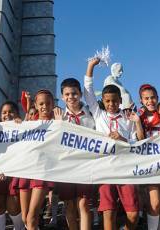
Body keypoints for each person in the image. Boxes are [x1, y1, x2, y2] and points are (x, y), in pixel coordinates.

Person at [84, 58, 144, 230]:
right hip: (106, 169)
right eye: (108, 101)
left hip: (126, 169)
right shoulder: (98, 114)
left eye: (115, 101)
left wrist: (123, 140)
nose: (111, 104)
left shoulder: (128, 119)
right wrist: (91, 66)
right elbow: (88, 90)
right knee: (108, 211)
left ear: (120, 100)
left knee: (133, 214)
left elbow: (137, 142)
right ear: (102, 100)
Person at [53, 78, 96, 230]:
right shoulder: (58, 115)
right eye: (67, 94)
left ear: (80, 94)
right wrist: (59, 124)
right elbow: (53, 142)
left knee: (83, 204)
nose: (71, 97)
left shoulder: (91, 114)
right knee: (69, 205)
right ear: (62, 96)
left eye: (74, 93)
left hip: (85, 166)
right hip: (66, 167)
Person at [15, 90, 56, 230]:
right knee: (25, 217)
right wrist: (18, 125)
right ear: (36, 105)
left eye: (48, 103)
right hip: (26, 170)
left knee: (32, 218)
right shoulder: (30, 123)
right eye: (41, 103)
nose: (45, 106)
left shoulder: (57, 123)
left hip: (42, 172)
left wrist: (61, 124)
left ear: (53, 104)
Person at [137, 84, 160, 230]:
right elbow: (138, 141)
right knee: (155, 202)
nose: (150, 101)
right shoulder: (137, 119)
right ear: (141, 101)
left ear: (157, 98)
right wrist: (138, 123)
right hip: (149, 164)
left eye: (152, 97)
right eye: (146, 98)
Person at [0, 101, 23, 230]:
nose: (8, 115)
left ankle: (19, 227)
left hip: (15, 172)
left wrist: (22, 125)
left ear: (18, 114)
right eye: (4, 112)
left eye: (11, 111)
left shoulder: (23, 128)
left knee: (13, 207)